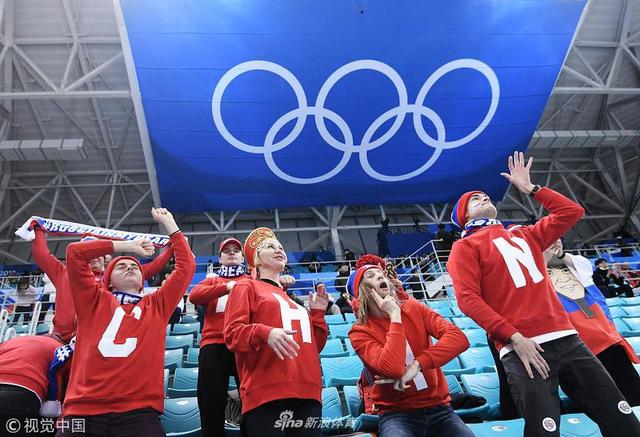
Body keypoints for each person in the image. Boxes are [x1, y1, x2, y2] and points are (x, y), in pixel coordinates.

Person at [446, 152, 640, 436]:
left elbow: (571, 212)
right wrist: (514, 337)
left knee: (622, 418)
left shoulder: (525, 234)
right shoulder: (465, 247)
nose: (484, 198)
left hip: (568, 337)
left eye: (485, 196)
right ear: (462, 217)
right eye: (475, 199)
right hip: (524, 347)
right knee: (544, 430)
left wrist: (531, 188)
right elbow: (468, 300)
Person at [56, 208, 195, 437]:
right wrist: (127, 246)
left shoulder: (157, 304)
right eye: (121, 266)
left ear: (142, 282)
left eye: (135, 267)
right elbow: (74, 253)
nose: (130, 267)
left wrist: (171, 225)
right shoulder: (92, 300)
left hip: (139, 412)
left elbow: (186, 267)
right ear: (108, 281)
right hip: (84, 409)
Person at [224, 227, 329, 437]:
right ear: (257, 260)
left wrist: (317, 315)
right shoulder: (246, 287)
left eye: (280, 246)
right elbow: (233, 335)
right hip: (266, 393)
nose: (279, 249)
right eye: (270, 247)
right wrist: (265, 333)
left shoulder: (293, 301)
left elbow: (311, 348)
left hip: (308, 394)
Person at [348, 265, 472, 436]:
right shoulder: (360, 331)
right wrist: (395, 317)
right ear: (363, 292)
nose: (379, 276)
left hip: (440, 409)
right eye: (370, 276)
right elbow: (391, 368)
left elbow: (459, 338)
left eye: (380, 273)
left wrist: (419, 364)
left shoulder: (414, 307)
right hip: (396, 413)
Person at [31, 225, 174, 340]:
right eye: (88, 255)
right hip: (60, 340)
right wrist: (38, 228)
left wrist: (172, 247)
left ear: (103, 257)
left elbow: (153, 267)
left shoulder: (113, 277)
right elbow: (41, 255)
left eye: (96, 254)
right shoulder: (63, 273)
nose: (93, 258)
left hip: (94, 341)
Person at [189, 237, 251, 437]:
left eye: (236, 250)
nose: (231, 252)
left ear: (243, 256)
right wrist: (227, 287)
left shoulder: (252, 279)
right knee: (210, 403)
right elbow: (194, 295)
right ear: (220, 258)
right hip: (214, 344)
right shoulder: (212, 280)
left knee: (252, 398)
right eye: (226, 251)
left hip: (244, 344)